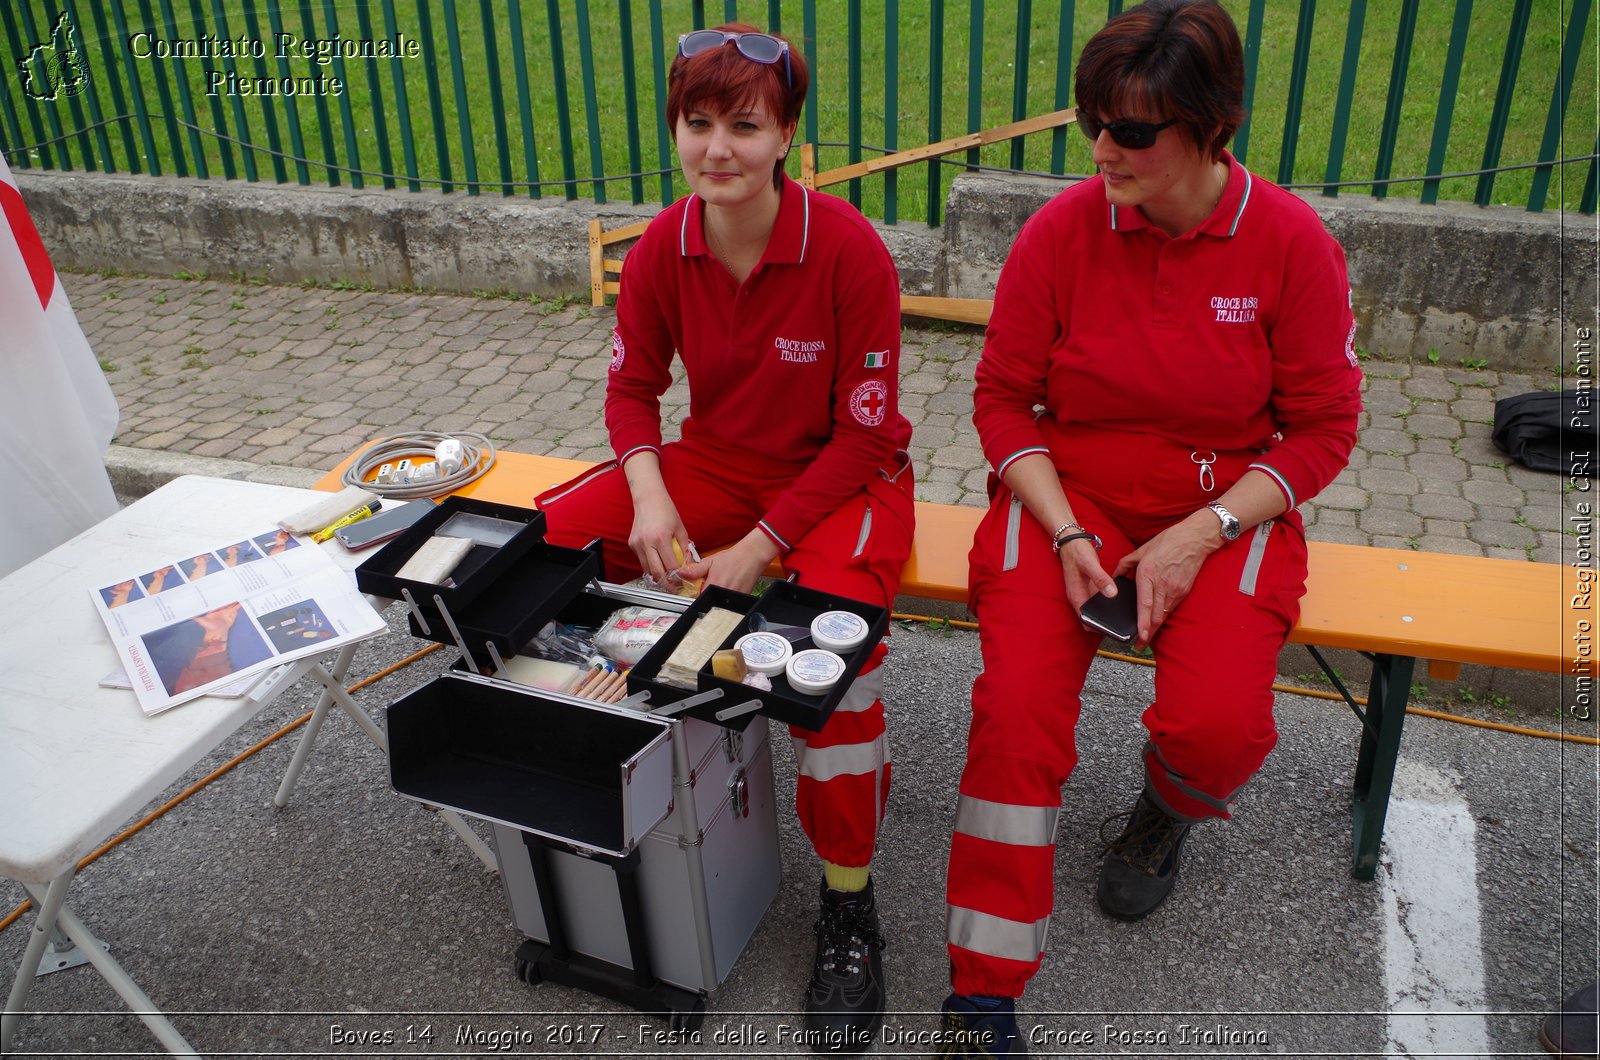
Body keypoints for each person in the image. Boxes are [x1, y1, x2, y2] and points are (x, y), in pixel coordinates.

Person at [937, 1, 1363, 1052]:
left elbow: (1322, 430)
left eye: (1131, 132)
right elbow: (1000, 400)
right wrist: (1068, 530)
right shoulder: (1061, 231)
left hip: (1221, 505)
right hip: (1063, 501)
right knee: (1017, 716)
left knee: (1217, 728)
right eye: (1097, 121)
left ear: (1212, 127)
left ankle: (1163, 806)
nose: (1102, 149)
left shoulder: (1289, 243)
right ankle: (981, 993)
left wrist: (1201, 528)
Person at [535, 22, 914, 1052]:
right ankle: (609, 756)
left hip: (843, 481)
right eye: (696, 122)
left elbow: (868, 429)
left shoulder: (846, 249)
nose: (717, 149)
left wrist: (760, 544)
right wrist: (649, 496)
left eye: (743, 125)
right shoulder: (666, 242)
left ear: (788, 133)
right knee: (540, 548)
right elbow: (631, 389)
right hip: (715, 465)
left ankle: (848, 903)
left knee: (832, 665)